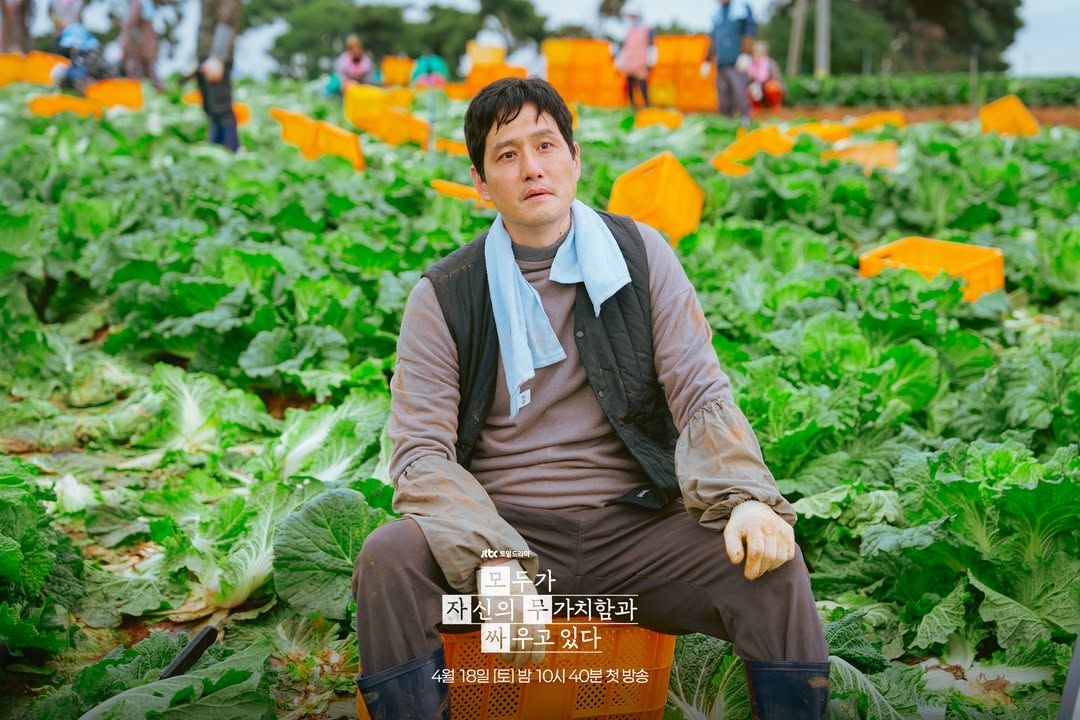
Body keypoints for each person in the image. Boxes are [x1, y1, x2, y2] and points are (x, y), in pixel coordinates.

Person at [351, 76, 830, 720]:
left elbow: (699, 390)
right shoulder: (444, 295)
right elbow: (420, 454)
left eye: (546, 145)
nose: (532, 168)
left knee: (773, 566)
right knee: (388, 559)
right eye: (507, 154)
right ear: (480, 183)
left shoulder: (643, 255)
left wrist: (745, 498)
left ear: (575, 160)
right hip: (510, 539)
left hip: (636, 542)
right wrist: (493, 560)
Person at [195, 0, 241, 152]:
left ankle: (230, 152)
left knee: (222, 108)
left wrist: (218, 57)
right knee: (212, 109)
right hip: (206, 56)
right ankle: (214, 152)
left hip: (216, 58)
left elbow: (227, 21)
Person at [703, 0, 756, 124]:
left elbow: (749, 31)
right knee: (723, 95)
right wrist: (707, 59)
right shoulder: (717, 14)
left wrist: (746, 53)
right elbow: (713, 38)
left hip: (737, 62)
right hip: (721, 62)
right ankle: (726, 122)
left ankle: (745, 120)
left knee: (739, 92)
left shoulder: (741, 9)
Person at [51, 19, 111, 93]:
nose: (70, 49)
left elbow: (89, 71)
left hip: (103, 84)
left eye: (71, 45)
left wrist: (67, 72)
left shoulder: (92, 53)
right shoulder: (78, 54)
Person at [616, 5, 655, 109]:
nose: (632, 18)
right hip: (629, 60)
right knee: (629, 83)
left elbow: (651, 45)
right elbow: (623, 47)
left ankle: (647, 104)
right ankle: (632, 106)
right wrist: (620, 61)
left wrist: (651, 59)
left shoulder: (647, 29)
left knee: (642, 82)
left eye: (634, 16)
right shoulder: (627, 30)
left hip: (641, 60)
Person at [118, 0, 163, 91]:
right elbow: (129, 25)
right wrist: (141, 43)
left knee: (153, 81)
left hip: (146, 53)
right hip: (136, 52)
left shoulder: (149, 6)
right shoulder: (140, 4)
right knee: (136, 82)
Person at [747, 39, 784, 109]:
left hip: (768, 89)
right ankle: (757, 110)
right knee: (750, 89)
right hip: (756, 88)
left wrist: (765, 83)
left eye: (760, 52)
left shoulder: (770, 63)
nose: (757, 54)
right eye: (756, 51)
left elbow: (778, 80)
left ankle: (776, 108)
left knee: (772, 87)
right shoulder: (750, 64)